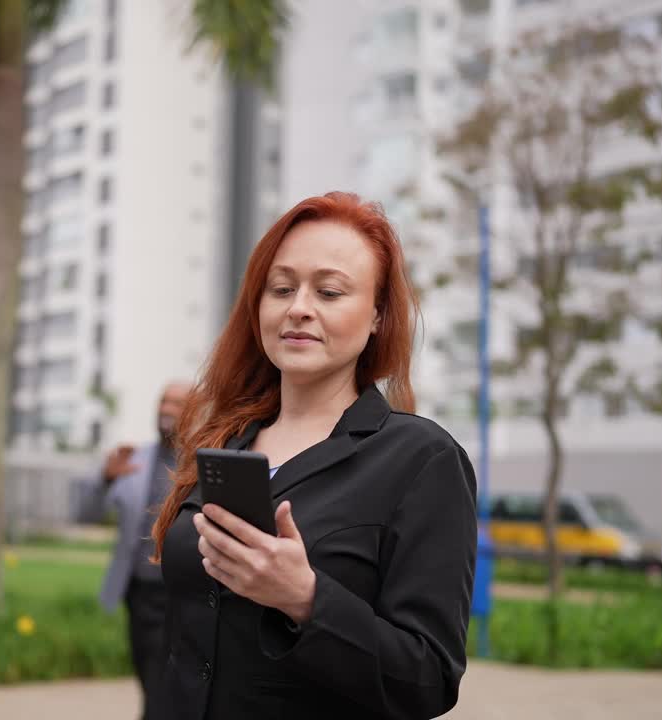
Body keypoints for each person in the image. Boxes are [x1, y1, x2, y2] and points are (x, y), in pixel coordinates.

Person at [150, 192, 477, 719]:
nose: (299, 307)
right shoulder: (224, 445)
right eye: (281, 288)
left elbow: (429, 678)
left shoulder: (422, 460)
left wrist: (305, 598)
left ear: (376, 316)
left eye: (329, 291)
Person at [77, 381, 192, 720]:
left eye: (177, 403)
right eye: (163, 401)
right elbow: (86, 515)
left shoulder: (202, 459)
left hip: (183, 593)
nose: (167, 409)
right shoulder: (132, 460)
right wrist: (105, 479)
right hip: (140, 593)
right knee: (149, 674)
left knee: (167, 682)